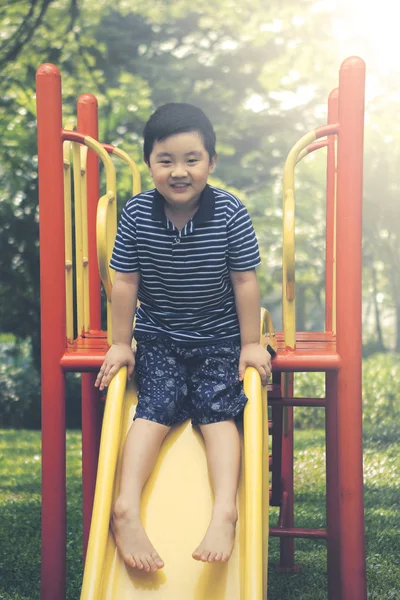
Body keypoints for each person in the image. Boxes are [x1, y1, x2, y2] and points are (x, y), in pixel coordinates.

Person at [95, 103, 271, 573]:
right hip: (160, 338)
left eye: (191, 159)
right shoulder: (135, 214)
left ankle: (224, 510)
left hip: (218, 338)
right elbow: (126, 282)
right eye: (165, 159)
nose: (179, 171)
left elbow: (244, 280)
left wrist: (251, 343)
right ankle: (125, 507)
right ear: (150, 163)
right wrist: (120, 342)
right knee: (154, 407)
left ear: (211, 162)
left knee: (218, 411)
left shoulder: (229, 210)